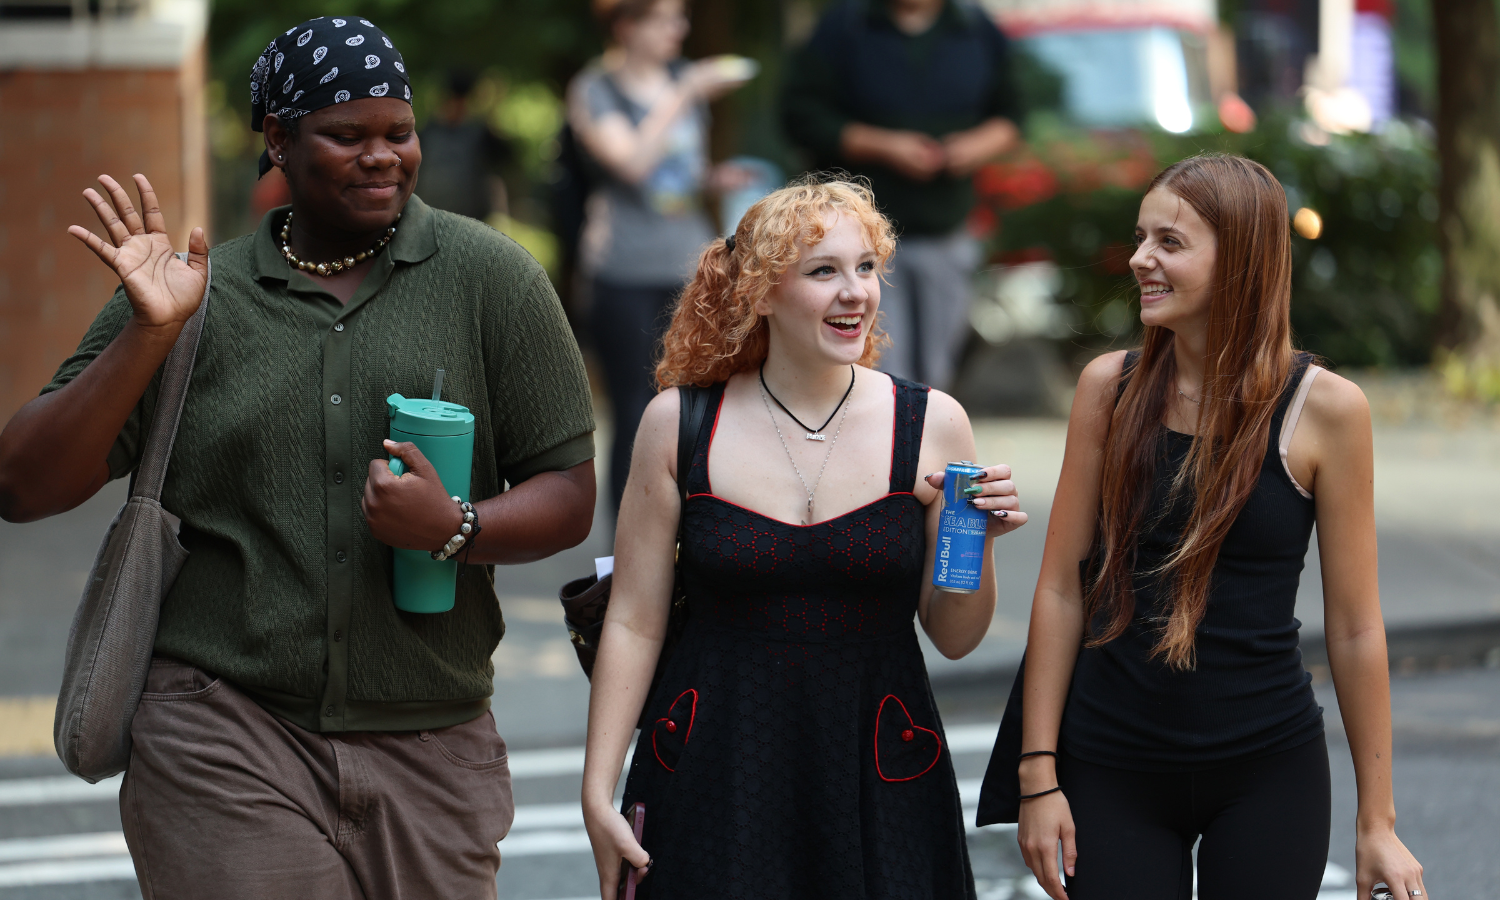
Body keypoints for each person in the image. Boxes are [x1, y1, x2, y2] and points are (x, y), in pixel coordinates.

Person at [0, 16, 596, 899]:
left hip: (431, 744)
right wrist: (149, 334)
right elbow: (21, 482)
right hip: (224, 732)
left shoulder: (493, 280)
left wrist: (457, 526)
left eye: (399, 132)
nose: (381, 156)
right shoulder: (197, 295)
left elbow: (570, 492)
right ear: (278, 138)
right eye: (346, 136)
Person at [579, 177, 1029, 899]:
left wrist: (978, 545)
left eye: (865, 267)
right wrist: (597, 793)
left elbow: (954, 634)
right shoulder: (679, 423)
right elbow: (633, 619)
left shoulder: (933, 424)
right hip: (714, 763)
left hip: (878, 764)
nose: (855, 292)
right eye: (823, 272)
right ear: (761, 294)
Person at [1008, 155, 1426, 900]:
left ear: (1240, 260)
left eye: (1169, 243)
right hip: (1110, 762)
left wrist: (1378, 823)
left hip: (1267, 767)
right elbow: (1060, 589)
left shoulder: (1326, 410)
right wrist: (1037, 777)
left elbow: (1358, 627)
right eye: (1140, 238)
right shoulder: (1109, 388)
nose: (1140, 259)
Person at [566, 0, 752, 517]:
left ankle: (694, 535)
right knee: (636, 408)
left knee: (702, 401)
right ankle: (626, 552)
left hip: (689, 267)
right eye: (666, 18)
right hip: (622, 270)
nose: (681, 28)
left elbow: (675, 175)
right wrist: (684, 92)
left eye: (682, 17)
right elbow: (631, 162)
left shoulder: (678, 83)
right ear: (626, 25)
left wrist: (714, 179)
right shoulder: (595, 89)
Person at [781, 0, 1023, 391]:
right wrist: (884, 146)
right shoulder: (846, 24)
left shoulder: (975, 27)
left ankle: (917, 446)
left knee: (936, 372)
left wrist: (973, 147)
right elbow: (800, 116)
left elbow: (1013, 115)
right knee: (872, 366)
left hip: (945, 229)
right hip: (857, 239)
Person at [416, 67, 514, 222]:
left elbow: (507, 158)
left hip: (468, 221)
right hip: (430, 217)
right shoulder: (426, 133)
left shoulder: (481, 134)